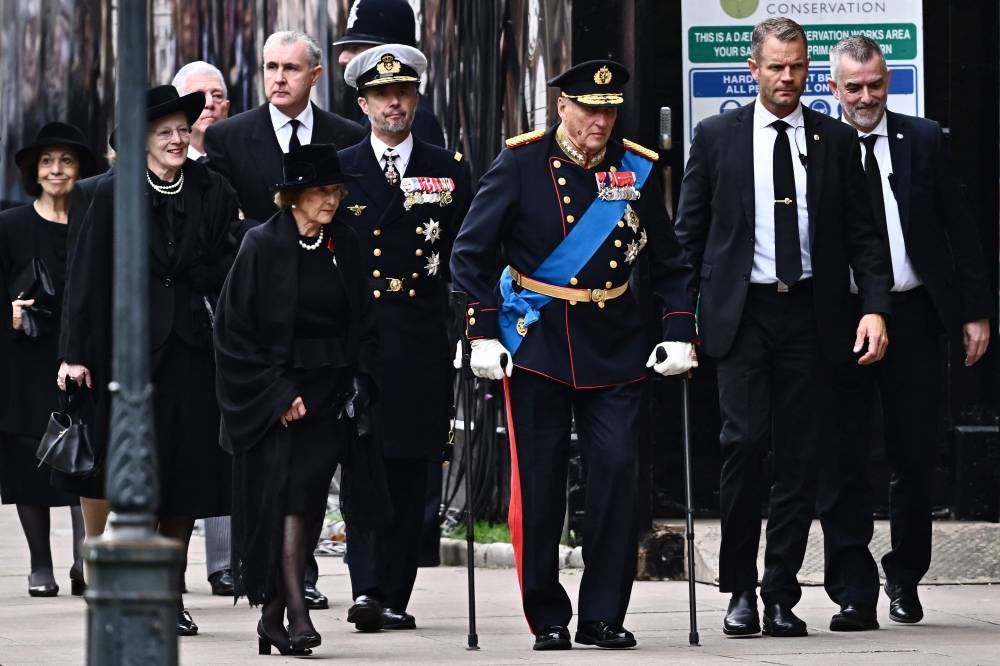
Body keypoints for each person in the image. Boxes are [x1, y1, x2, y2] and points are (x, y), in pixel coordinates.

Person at [450, 59, 696, 650]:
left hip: (615, 343)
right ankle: (549, 615)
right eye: (588, 109)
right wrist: (482, 333)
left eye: (609, 110)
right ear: (562, 107)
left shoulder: (633, 168)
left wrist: (680, 330)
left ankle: (603, 614)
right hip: (537, 344)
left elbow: (671, 262)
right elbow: (470, 254)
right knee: (540, 482)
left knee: (616, 475)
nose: (600, 121)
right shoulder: (521, 162)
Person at [673, 17, 892, 639]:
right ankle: (739, 588)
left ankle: (779, 593)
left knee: (799, 457)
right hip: (741, 316)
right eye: (775, 67)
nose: (787, 78)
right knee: (744, 443)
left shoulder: (832, 140)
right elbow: (689, 238)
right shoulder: (716, 137)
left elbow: (864, 237)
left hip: (811, 316)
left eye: (796, 67)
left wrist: (875, 306)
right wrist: (679, 322)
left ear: (808, 69)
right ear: (754, 69)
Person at [818, 35, 992, 630]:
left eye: (876, 84)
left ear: (888, 81)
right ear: (833, 87)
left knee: (914, 456)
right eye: (854, 87)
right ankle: (851, 586)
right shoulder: (820, 145)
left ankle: (904, 575)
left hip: (915, 315)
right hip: (842, 318)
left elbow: (961, 230)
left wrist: (974, 311)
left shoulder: (922, 139)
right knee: (843, 455)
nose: (866, 97)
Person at [57, 85, 240, 636]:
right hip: (125, 351)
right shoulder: (109, 194)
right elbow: (84, 278)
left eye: (183, 130)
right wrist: (74, 354)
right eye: (165, 132)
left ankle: (167, 591)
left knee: (184, 474)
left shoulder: (211, 189)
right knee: (129, 472)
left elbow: (226, 258)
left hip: (189, 348)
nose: (178, 139)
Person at [214, 143, 387, 656]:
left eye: (335, 190)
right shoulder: (261, 245)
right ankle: (296, 610)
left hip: (330, 394)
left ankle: (272, 617)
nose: (330, 200)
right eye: (319, 191)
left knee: (308, 501)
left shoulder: (344, 243)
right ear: (292, 198)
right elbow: (233, 332)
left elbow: (364, 321)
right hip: (278, 398)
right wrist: (278, 392)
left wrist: (361, 379)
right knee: (288, 499)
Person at [337, 44, 471, 631]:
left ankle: (395, 590)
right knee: (363, 460)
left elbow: (469, 250)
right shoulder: (341, 167)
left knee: (413, 466)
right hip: (359, 337)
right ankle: (366, 586)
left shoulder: (447, 167)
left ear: (416, 97)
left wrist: (473, 325)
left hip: (420, 338)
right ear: (362, 103)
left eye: (404, 93)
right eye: (382, 95)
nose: (395, 103)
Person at [0, 122, 96, 598]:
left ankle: (84, 559)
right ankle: (41, 565)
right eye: (47, 161)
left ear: (81, 169)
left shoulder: (94, 217)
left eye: (66, 161)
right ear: (34, 171)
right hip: (27, 359)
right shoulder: (10, 225)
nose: (56, 170)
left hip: (82, 356)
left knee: (85, 456)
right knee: (27, 461)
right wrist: (10, 315)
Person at [172, 59, 236, 598]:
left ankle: (225, 562)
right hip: (169, 332)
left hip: (225, 323)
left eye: (218, 96)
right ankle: (165, 568)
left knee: (217, 444)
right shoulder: (137, 181)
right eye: (199, 98)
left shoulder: (229, 168)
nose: (211, 106)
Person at [205, 30, 367, 228]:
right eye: (272, 67)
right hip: (258, 257)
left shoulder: (350, 135)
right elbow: (221, 224)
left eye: (291, 68)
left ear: (315, 75)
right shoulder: (226, 138)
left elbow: (356, 212)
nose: (279, 78)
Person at [333, 0, 446, 147]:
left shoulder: (412, 119)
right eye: (381, 94)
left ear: (389, 56)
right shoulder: (369, 110)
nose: (342, 58)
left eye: (355, 48)